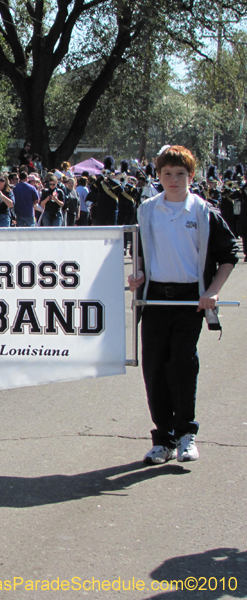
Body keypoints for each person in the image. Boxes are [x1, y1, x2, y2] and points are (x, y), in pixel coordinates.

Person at [128, 145, 238, 465]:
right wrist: (139, 275)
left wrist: (213, 292)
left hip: (192, 300)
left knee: (182, 365)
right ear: (158, 176)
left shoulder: (204, 212)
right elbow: (140, 253)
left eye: (180, 174)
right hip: (155, 299)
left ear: (191, 176)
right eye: (166, 174)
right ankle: (164, 439)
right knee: (154, 369)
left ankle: (186, 433)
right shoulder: (147, 210)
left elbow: (229, 255)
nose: (173, 180)